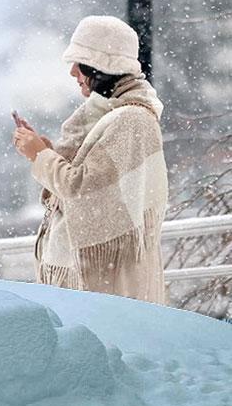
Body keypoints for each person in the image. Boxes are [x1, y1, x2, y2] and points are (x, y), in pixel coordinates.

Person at [12, 15, 168, 304]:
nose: (73, 72)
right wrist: (47, 152)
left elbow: (83, 190)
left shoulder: (131, 120)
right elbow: (91, 184)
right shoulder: (108, 117)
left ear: (103, 67)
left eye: (80, 62)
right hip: (95, 282)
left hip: (104, 286)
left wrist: (40, 155)